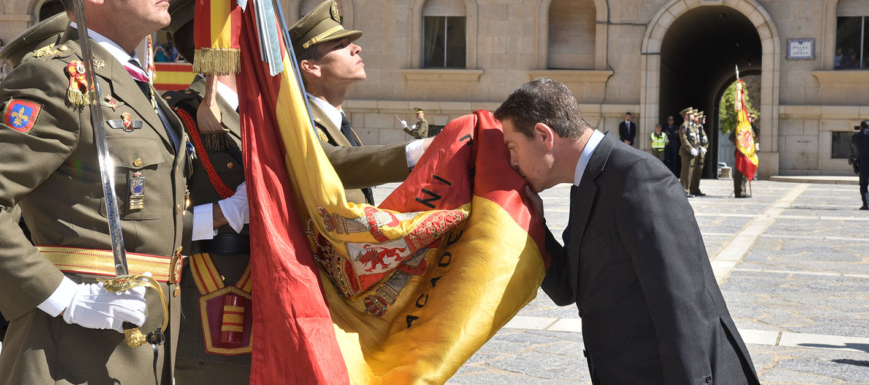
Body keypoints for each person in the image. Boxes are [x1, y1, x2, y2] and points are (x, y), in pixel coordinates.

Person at [495, 77, 760, 385]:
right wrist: (526, 217)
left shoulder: (637, 178)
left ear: (544, 135)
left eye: (513, 147)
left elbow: (683, 306)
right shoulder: (588, 183)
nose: (512, 162)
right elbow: (567, 287)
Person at [0, 0, 196, 382]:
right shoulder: (57, 76)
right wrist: (64, 298)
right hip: (70, 352)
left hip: (144, 351)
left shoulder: (135, 85)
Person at [289, 0, 432, 205]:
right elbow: (334, 162)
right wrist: (423, 148)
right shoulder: (297, 119)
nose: (356, 48)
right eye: (340, 45)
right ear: (311, 67)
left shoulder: (337, 122)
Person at [679, 107, 699, 197]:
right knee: (685, 172)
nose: (693, 116)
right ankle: (684, 191)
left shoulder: (691, 126)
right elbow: (684, 139)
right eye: (691, 114)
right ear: (686, 116)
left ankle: (687, 190)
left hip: (691, 153)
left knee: (690, 172)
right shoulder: (684, 126)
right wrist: (690, 149)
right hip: (686, 152)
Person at [690, 111, 709, 197]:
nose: (704, 119)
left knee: (699, 172)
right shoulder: (697, 128)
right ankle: (693, 189)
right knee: (695, 172)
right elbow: (697, 140)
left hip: (702, 153)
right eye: (702, 118)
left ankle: (696, 188)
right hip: (699, 152)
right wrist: (701, 148)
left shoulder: (701, 128)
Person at [852, 120, 869, 210]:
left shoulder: (856, 137)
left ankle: (866, 204)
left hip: (863, 165)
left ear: (861, 127)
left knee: (863, 185)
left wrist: (855, 165)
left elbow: (854, 153)